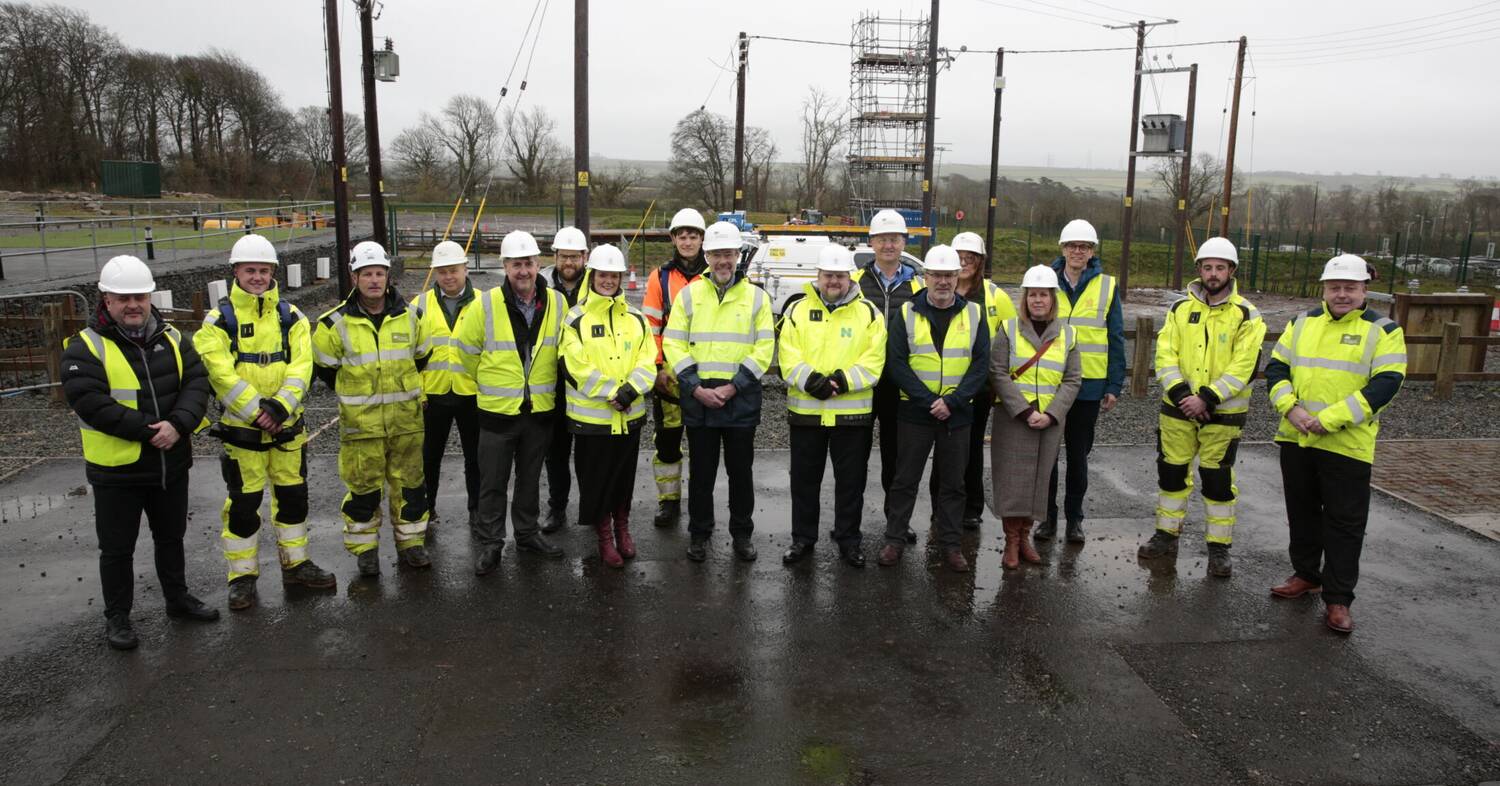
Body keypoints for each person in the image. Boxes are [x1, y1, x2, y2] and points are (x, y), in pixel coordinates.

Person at [63, 255, 217, 650]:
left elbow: (197, 384)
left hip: (170, 465)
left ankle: (177, 599)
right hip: (118, 472)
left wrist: (179, 424)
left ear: (150, 298)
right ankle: (118, 618)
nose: (133, 304)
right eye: (123, 297)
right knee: (117, 549)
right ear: (106, 300)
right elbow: (90, 401)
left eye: (140, 297)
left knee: (172, 538)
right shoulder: (85, 347)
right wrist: (152, 431)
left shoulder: (172, 339)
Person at [1264, 254, 1406, 634]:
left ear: (1364, 290)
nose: (1342, 294)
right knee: (1303, 510)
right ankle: (1306, 574)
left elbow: (1386, 383)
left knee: (1345, 523)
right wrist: (1290, 409)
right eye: (1335, 287)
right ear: (1324, 289)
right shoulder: (1301, 322)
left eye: (1350, 288)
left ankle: (1339, 598)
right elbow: (1276, 368)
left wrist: (1328, 420)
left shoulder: (1384, 330)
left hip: (1347, 443)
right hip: (1297, 437)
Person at [195, 234, 335, 611]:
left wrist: (280, 408)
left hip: (288, 433)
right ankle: (242, 577)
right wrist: (259, 411)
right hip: (242, 437)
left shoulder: (291, 317)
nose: (257, 277)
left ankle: (296, 564)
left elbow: (303, 367)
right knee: (243, 507)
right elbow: (219, 373)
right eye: (250, 270)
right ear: (236, 272)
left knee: (293, 501)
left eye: (263, 270)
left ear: (273, 272)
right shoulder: (217, 322)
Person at [1137, 237, 1266, 577]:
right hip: (1178, 410)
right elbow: (1165, 354)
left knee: (1217, 481)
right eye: (1207, 267)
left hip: (1223, 415)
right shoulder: (1180, 310)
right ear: (1199, 270)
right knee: (1171, 474)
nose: (1213, 273)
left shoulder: (1247, 315)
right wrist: (1183, 395)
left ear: (1231, 271)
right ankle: (1166, 534)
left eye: (1219, 267)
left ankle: (1219, 548)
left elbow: (1244, 366)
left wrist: (1206, 398)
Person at [312, 241, 433, 577]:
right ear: (355, 278)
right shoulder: (333, 324)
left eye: (380, 273)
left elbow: (422, 357)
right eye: (367, 274)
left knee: (410, 487)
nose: (374, 280)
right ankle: (366, 550)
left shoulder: (412, 317)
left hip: (406, 423)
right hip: (361, 427)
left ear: (388, 276)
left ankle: (411, 544)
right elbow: (325, 369)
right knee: (363, 490)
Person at [662, 220, 775, 563]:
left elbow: (764, 348)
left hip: (738, 398)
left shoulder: (756, 297)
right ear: (707, 256)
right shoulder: (689, 295)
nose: (723, 261)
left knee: (741, 474)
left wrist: (732, 388)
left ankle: (742, 534)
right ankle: (700, 534)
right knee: (702, 474)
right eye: (717, 254)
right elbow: (673, 343)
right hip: (700, 401)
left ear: (738, 256)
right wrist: (695, 388)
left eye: (729, 254)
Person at [455, 230, 568, 575]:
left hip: (539, 411)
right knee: (492, 482)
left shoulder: (557, 302)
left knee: (530, 479)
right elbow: (466, 352)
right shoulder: (485, 304)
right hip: (497, 413)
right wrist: (495, 385)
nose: (524, 271)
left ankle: (527, 533)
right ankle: (491, 543)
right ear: (505, 266)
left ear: (538, 265)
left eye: (529, 263)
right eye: (516, 264)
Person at [877, 245, 990, 573]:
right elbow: (896, 363)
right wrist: (928, 400)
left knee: (954, 483)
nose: (943, 281)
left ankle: (951, 545)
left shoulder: (975, 314)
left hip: (958, 413)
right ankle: (894, 540)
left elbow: (981, 365)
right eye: (937, 275)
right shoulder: (907, 313)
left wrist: (952, 401)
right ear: (925, 277)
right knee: (904, 479)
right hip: (915, 411)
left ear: (957, 277)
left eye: (949, 275)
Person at [777, 244, 887, 568]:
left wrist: (840, 380)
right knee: (804, 481)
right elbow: (787, 354)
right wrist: (812, 381)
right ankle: (802, 539)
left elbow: (874, 359)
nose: (833, 281)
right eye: (828, 275)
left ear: (849, 277)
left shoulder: (868, 313)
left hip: (851, 416)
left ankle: (849, 540)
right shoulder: (796, 310)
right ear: (819, 276)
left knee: (851, 483)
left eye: (839, 276)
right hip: (807, 413)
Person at [558, 244, 656, 568]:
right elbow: (575, 367)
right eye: (603, 275)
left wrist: (630, 391)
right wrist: (614, 391)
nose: (608, 281)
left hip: (629, 418)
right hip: (592, 421)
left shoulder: (637, 319)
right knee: (596, 480)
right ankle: (603, 537)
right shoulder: (576, 319)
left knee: (623, 479)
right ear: (592, 276)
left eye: (614, 276)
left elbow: (647, 362)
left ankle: (622, 529)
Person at [990, 265, 1082, 569]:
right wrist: (1026, 411)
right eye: (1033, 295)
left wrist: (1053, 413)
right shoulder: (1009, 328)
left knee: (1038, 482)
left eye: (1044, 295)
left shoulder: (1068, 334)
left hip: (1049, 421)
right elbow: (998, 372)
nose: (1038, 300)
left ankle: (1026, 536)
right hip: (1015, 417)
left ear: (1052, 298)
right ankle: (1011, 542)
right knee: (1013, 481)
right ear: (1025, 298)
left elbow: (1072, 379)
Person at [1040, 218, 1125, 544]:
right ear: (1063, 248)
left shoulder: (1106, 286)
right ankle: (1046, 519)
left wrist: (1114, 385)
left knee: (1078, 459)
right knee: (1047, 457)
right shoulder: (1047, 282)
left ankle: (1074, 520)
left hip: (1089, 386)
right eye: (1073, 245)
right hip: (1050, 383)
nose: (1078, 251)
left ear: (1092, 252)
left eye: (1084, 247)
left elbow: (1116, 337)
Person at [852, 209, 924, 543]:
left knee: (897, 458)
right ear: (872, 243)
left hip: (900, 384)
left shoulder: (917, 285)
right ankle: (849, 521)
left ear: (904, 242)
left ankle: (896, 521)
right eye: (882, 239)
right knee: (855, 455)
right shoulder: (854, 283)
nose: (889, 245)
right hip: (861, 382)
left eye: (895, 239)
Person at [938, 230, 1016, 529]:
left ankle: (972, 507)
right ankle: (942, 507)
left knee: (971, 448)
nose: (965, 262)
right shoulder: (940, 289)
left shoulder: (996, 297)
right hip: (943, 386)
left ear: (980, 261)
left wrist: (1001, 387)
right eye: (960, 258)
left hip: (980, 389)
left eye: (971, 258)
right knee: (944, 449)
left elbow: (1011, 343)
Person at [642, 208, 708, 528]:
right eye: (681, 235)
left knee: (702, 444)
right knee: (667, 442)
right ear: (673, 239)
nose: (687, 241)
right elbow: (651, 327)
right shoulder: (661, 277)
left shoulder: (714, 275)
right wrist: (656, 369)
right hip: (669, 376)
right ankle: (668, 502)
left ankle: (699, 502)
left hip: (705, 374)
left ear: (702, 239)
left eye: (693, 235)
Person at [412, 240, 481, 534]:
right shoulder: (418, 305)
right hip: (434, 395)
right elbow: (408, 355)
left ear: (465, 269)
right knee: (428, 457)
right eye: (442, 272)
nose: (448, 277)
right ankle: (427, 510)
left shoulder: (484, 302)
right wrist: (420, 392)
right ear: (435, 274)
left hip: (472, 394)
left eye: (453, 270)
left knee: (476, 458)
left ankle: (477, 512)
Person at [541, 225, 589, 532]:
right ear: (555, 256)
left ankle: (592, 510)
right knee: (555, 453)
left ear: (585, 257)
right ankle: (557, 509)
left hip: (586, 382)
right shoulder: (539, 284)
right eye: (563, 256)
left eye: (574, 257)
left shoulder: (598, 283)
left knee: (588, 454)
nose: (568, 263)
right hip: (552, 380)